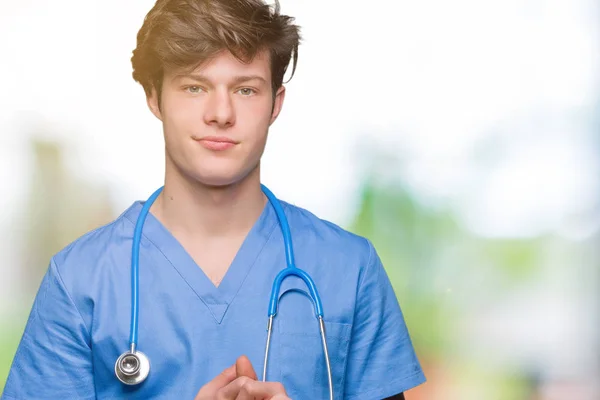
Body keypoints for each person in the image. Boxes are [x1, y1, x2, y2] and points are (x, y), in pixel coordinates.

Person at [1, 0, 426, 399]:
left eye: (245, 90)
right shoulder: (80, 282)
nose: (220, 113)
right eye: (194, 87)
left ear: (276, 103)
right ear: (154, 96)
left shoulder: (349, 269)